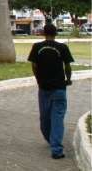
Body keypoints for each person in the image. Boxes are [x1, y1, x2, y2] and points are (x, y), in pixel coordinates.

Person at [28, 23, 74, 160]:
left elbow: (34, 65)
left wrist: (38, 79)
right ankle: (56, 148)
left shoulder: (37, 47)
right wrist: (68, 79)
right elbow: (67, 66)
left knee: (45, 119)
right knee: (57, 119)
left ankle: (53, 143)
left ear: (43, 33)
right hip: (59, 88)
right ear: (56, 34)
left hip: (44, 89)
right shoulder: (62, 47)